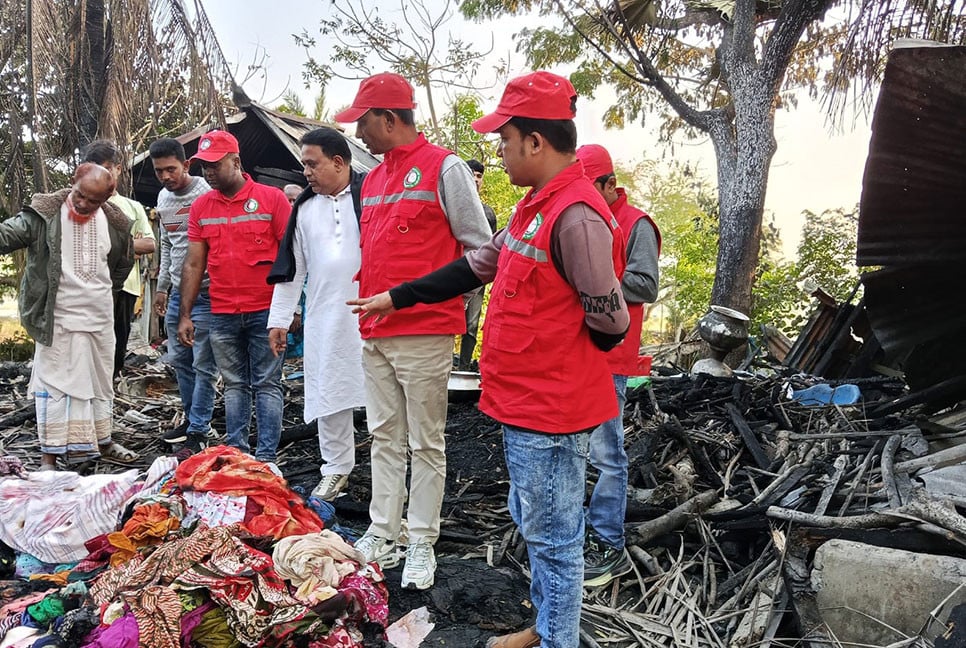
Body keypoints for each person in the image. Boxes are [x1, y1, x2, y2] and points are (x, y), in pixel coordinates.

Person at [349, 71, 630, 648]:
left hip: (552, 407)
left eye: (504, 139)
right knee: (538, 526)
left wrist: (561, 359)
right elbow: (476, 265)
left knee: (554, 539)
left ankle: (558, 640)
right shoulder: (536, 208)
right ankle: (546, 626)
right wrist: (396, 295)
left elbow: (611, 319)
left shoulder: (575, 216)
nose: (498, 151)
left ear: (535, 142)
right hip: (523, 401)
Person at [333, 72, 491, 590]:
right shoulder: (374, 178)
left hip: (423, 329)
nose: (358, 133)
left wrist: (459, 312)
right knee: (383, 436)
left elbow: (481, 249)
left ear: (388, 118)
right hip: (374, 328)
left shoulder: (444, 167)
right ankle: (384, 531)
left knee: (426, 442)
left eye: (363, 121)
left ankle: (421, 539)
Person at [0, 163, 137, 469]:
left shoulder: (117, 223)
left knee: (100, 382)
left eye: (93, 201)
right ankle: (49, 457)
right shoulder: (43, 215)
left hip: (99, 317)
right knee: (55, 385)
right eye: (80, 195)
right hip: (57, 318)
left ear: (107, 198)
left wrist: (104, 294)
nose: (83, 204)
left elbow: (122, 263)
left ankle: (102, 442)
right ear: (73, 182)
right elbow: (7, 235)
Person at [575, 143, 661, 587]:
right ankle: (575, 534)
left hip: (613, 356)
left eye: (592, 187)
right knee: (575, 449)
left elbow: (645, 284)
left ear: (611, 184)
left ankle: (607, 541)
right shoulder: (580, 216)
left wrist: (591, 278)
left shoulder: (636, 224)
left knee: (607, 454)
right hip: (574, 353)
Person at [177, 130, 291, 463]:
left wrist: (289, 310)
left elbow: (292, 257)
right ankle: (237, 455)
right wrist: (186, 313)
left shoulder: (272, 200)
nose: (209, 173)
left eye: (215, 165)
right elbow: (194, 262)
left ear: (236, 161)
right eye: (203, 167)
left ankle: (266, 458)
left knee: (267, 383)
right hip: (222, 311)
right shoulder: (200, 207)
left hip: (265, 311)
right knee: (235, 384)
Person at [267, 127, 367, 501]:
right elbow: (295, 269)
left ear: (339, 162)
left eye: (312, 164)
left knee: (385, 395)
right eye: (304, 164)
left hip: (375, 312)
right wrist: (280, 319)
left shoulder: (371, 196)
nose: (305, 172)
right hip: (326, 315)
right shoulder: (305, 209)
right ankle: (336, 468)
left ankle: (392, 468)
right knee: (329, 392)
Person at [149, 137, 218, 449]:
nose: (166, 177)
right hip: (178, 293)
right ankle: (193, 421)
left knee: (205, 363)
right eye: (159, 171)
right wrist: (162, 288)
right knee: (181, 361)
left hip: (208, 292)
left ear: (187, 165)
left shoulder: (208, 192)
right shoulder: (164, 199)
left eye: (171, 169)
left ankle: (199, 429)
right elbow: (167, 244)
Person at [81, 140, 157, 379]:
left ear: (118, 168)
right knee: (87, 342)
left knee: (116, 342)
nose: (101, 174)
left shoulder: (132, 207)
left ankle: (109, 392)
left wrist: (115, 248)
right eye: (94, 169)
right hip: (87, 286)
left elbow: (150, 244)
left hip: (125, 287)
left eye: (106, 168)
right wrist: (128, 248)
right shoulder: (81, 204)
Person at [459, 159, 498, 371]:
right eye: (471, 173)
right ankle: (446, 367)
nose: (475, 179)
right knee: (447, 321)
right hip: (454, 274)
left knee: (471, 325)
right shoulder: (452, 204)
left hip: (478, 277)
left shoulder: (488, 213)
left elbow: (493, 249)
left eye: (479, 175)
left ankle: (463, 368)